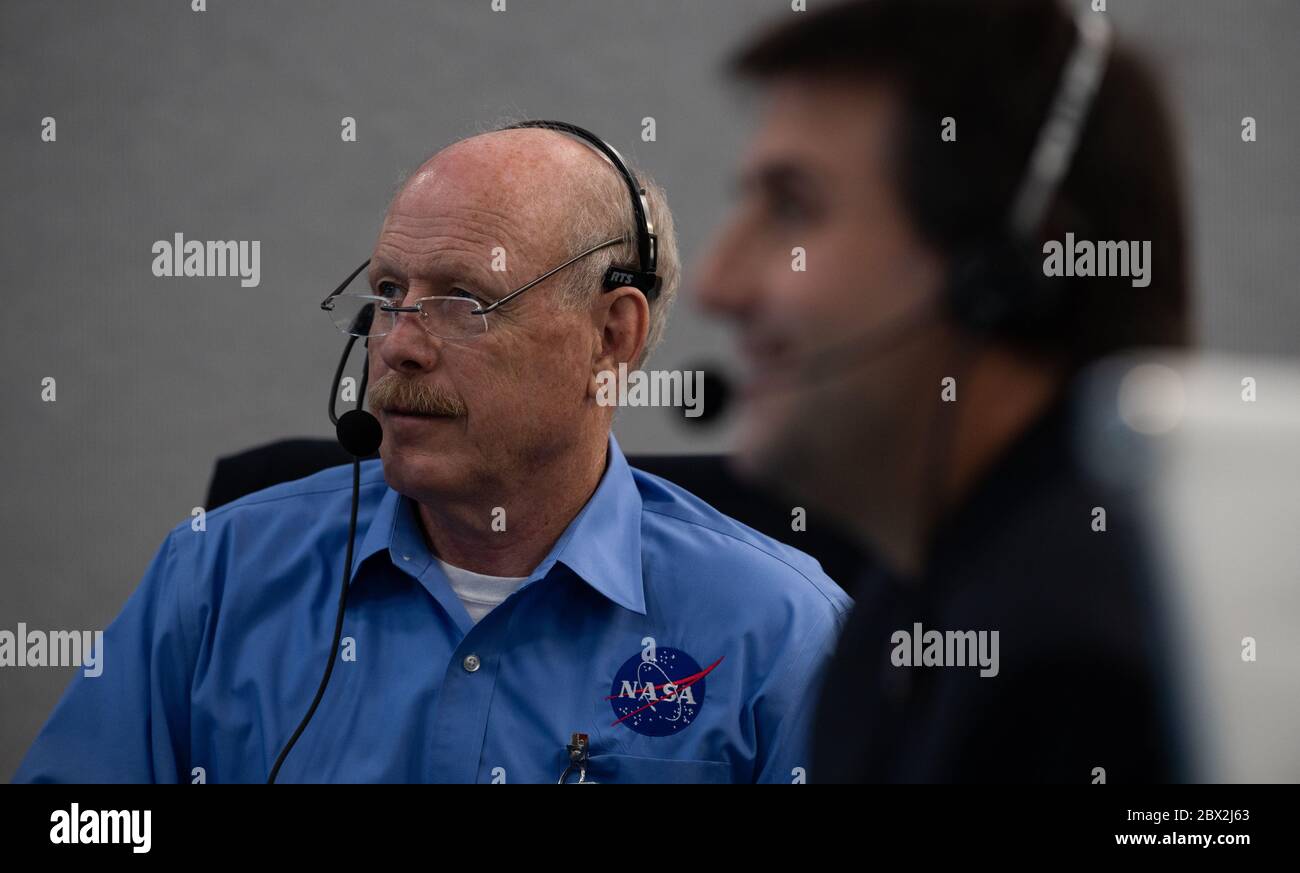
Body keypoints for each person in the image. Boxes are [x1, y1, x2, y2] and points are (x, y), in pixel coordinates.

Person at [16, 124, 849, 784]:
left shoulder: (776, 633)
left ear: (610, 334)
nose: (397, 347)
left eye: (462, 301)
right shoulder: (216, 576)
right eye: (386, 296)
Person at [696, 0, 1189, 781]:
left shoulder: (1089, 670)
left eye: (793, 204)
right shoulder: (903, 615)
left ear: (1000, 268)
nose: (715, 286)